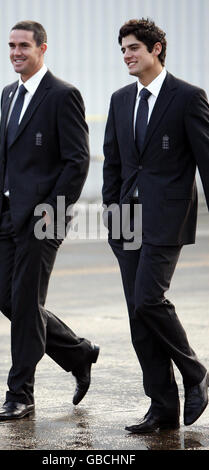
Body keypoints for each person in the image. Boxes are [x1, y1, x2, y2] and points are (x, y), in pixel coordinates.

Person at [0, 20, 99, 421]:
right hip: (3, 216)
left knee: (26, 304)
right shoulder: (8, 95)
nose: (16, 52)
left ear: (42, 49)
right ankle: (78, 352)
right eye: (11, 45)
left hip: (40, 219)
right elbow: (8, 157)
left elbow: (77, 161)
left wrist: (51, 211)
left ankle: (21, 394)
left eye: (23, 46)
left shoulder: (62, 96)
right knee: (10, 301)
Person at [102, 18, 209, 433]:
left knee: (149, 299)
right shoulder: (120, 99)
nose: (127, 56)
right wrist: (112, 212)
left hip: (167, 216)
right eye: (123, 49)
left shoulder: (187, 97)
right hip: (126, 219)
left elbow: (205, 160)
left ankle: (195, 371)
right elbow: (113, 161)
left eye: (133, 48)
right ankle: (162, 406)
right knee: (137, 315)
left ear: (157, 48)